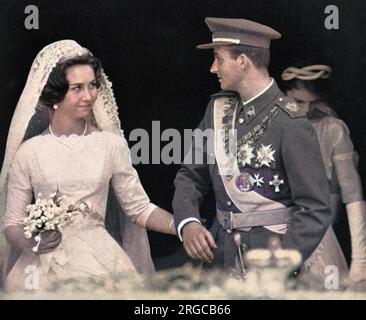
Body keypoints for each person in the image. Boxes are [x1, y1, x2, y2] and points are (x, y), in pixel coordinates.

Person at [0, 40, 176, 292]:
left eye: (93, 85)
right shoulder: (29, 152)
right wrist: (33, 244)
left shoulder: (110, 144)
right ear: (54, 96)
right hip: (40, 271)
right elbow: (12, 224)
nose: (89, 95)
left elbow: (139, 209)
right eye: (77, 88)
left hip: (101, 261)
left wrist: (182, 226)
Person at [172, 17, 334, 281]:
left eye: (219, 59)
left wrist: (280, 264)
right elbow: (190, 175)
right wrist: (188, 222)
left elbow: (315, 208)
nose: (213, 68)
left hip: (268, 258)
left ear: (243, 60)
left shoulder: (290, 122)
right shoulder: (217, 109)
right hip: (219, 254)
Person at [281, 64, 366, 287]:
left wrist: (360, 261)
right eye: (299, 101)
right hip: (271, 231)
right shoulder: (271, 124)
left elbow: (353, 195)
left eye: (312, 103)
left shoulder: (332, 129)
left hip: (316, 232)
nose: (307, 110)